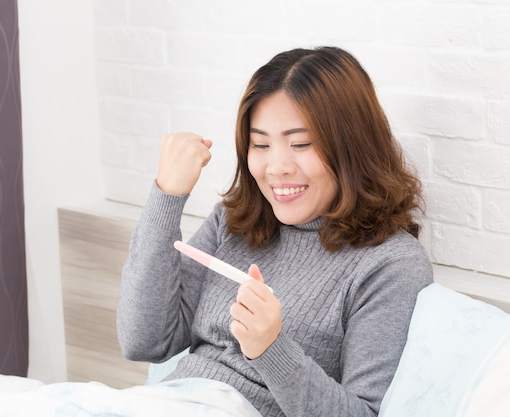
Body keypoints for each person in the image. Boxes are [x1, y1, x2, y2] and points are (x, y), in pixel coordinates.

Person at [117, 46, 433, 417]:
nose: (276, 167)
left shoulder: (389, 264)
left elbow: (362, 413)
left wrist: (271, 349)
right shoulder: (234, 222)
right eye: (260, 144)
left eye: (300, 144)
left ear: (351, 146)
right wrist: (167, 197)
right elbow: (145, 341)